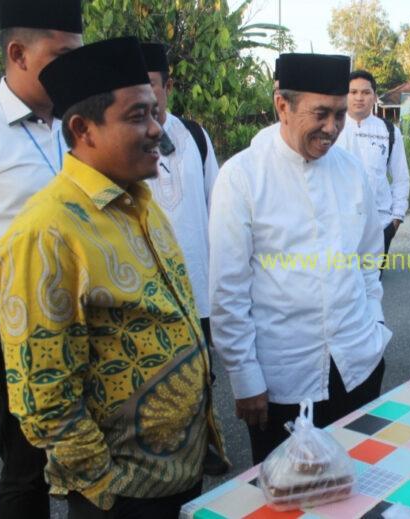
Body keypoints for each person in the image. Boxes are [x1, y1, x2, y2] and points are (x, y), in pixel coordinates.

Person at [0, 37, 226, 518]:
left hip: (182, 474)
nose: (157, 128)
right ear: (83, 129)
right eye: (138, 116)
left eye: (155, 112)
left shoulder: (142, 202)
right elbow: (44, 397)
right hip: (124, 497)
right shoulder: (47, 233)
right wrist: (104, 486)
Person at [209, 53, 391, 464]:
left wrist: (375, 323)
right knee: (289, 491)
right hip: (283, 382)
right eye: (321, 114)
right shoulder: (242, 178)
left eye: (340, 115)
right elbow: (228, 291)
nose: (332, 128)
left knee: (363, 480)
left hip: (357, 363)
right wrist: (244, 376)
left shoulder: (351, 171)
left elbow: (368, 258)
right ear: (282, 106)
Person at [0, 1, 83, 516]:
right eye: (62, 57)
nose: (75, 69)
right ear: (18, 54)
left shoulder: (80, 125)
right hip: (17, 338)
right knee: (27, 474)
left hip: (91, 327)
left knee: (93, 460)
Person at [139, 42, 227, 476]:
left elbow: (218, 204)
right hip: (149, 287)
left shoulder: (194, 135)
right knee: (156, 374)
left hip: (198, 282)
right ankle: (161, 451)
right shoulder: (123, 139)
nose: (145, 97)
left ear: (168, 87)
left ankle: (203, 442)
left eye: (151, 87)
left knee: (201, 370)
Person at [335, 70, 409, 254]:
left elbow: (401, 177)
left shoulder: (389, 131)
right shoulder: (332, 128)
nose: (359, 97)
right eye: (353, 92)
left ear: (375, 97)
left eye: (366, 92)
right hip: (338, 226)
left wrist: (396, 219)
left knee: (374, 273)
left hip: (380, 225)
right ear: (345, 95)